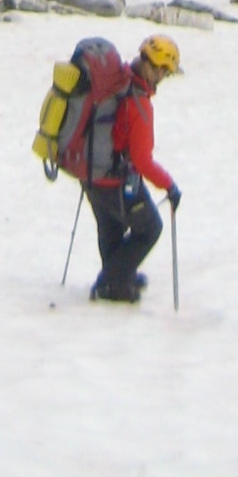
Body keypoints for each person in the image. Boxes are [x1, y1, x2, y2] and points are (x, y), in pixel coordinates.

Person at [88, 32, 182, 304]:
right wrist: (170, 186)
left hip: (91, 173)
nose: (163, 78)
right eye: (164, 72)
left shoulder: (118, 80)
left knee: (111, 225)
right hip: (116, 178)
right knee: (150, 228)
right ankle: (110, 283)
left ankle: (120, 276)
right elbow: (142, 160)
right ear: (157, 68)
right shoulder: (139, 103)